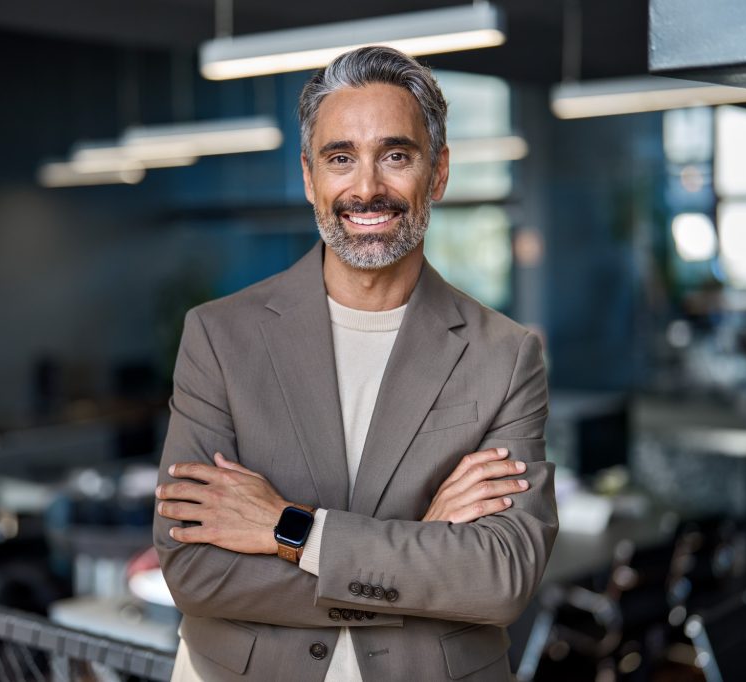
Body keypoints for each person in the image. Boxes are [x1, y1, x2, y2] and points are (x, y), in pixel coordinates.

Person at [153, 46, 557, 681]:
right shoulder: (218, 337)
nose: (366, 187)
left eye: (396, 156)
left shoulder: (504, 354)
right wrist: (421, 555)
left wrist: (288, 530)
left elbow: (500, 578)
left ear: (439, 172)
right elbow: (194, 569)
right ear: (311, 177)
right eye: (340, 158)